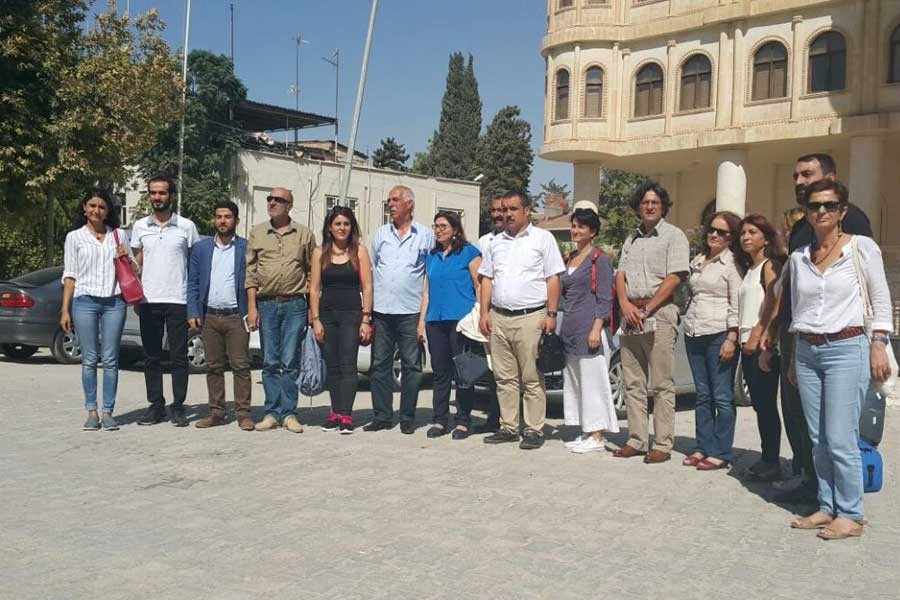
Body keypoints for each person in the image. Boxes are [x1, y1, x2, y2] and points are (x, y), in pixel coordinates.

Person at [758, 153, 873, 504]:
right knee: (802, 418)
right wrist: (772, 329)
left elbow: (867, 287)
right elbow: (791, 288)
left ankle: (846, 505)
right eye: (796, 175)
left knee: (836, 431)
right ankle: (813, 483)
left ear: (832, 181)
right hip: (800, 336)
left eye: (807, 174)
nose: (799, 181)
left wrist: (879, 342)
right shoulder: (802, 233)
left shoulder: (853, 225)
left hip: (841, 340)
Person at [787, 179, 892, 540]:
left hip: (848, 348)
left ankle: (852, 513)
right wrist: (792, 358)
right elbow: (798, 309)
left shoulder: (861, 249)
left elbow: (880, 299)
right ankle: (827, 505)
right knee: (818, 437)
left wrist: (879, 342)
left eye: (829, 205)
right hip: (807, 350)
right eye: (814, 206)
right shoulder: (799, 257)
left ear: (842, 210)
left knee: (841, 436)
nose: (821, 212)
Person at [478, 191, 565, 450]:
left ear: (527, 210)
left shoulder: (543, 239)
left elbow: (553, 278)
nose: (507, 214)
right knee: (504, 378)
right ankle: (508, 426)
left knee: (531, 377)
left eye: (513, 208)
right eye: (504, 209)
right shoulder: (495, 242)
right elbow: (487, 279)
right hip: (499, 316)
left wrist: (552, 314)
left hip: (531, 317)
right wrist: (484, 312)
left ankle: (534, 429)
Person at [612, 181, 690, 464]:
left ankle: (663, 443)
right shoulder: (631, 239)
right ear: (638, 207)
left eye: (655, 202)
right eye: (645, 202)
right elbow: (620, 274)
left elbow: (675, 277)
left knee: (660, 383)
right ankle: (636, 439)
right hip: (630, 314)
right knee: (633, 381)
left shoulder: (674, 236)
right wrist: (624, 304)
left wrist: (648, 309)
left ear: (663, 206)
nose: (649, 206)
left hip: (659, 313)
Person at [131, 176, 200, 427]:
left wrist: (194, 302)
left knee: (179, 356)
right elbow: (137, 263)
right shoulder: (140, 227)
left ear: (171, 196)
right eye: (153, 193)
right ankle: (156, 406)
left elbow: (195, 265)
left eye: (162, 193)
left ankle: (179, 406)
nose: (157, 197)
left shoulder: (186, 226)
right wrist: (134, 295)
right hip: (149, 300)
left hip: (178, 300)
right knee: (151, 356)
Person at [365, 185, 434, 434]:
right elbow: (372, 271)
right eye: (389, 200)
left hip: (410, 311)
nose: (390, 204)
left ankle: (407, 417)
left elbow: (429, 275)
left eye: (395, 200)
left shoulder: (425, 235)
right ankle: (382, 416)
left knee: (412, 367)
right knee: (379, 365)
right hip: (382, 311)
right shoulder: (381, 234)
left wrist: (423, 318)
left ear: (409, 204)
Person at [60, 189, 131, 431]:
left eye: (101, 207)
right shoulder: (74, 238)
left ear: (108, 211)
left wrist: (127, 257)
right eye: (92, 205)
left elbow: (133, 270)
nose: (96, 210)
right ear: (84, 208)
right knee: (89, 359)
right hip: (85, 302)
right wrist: (65, 310)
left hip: (114, 301)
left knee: (110, 359)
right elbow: (70, 275)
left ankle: (108, 411)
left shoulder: (119, 235)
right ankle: (92, 411)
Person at [246, 187, 315, 433]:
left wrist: (311, 308)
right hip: (266, 304)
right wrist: (252, 307)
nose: (272, 202)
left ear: (289, 205)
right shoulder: (257, 233)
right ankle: (271, 412)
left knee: (290, 361)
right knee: (270, 361)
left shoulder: (304, 234)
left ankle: (289, 413)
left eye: (279, 199)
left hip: (295, 304)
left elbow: (311, 272)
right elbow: (251, 273)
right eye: (270, 199)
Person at [681, 211, 742, 471]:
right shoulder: (699, 259)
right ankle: (703, 446)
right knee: (703, 395)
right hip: (694, 331)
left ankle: (721, 451)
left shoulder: (732, 264)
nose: (714, 235)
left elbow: (736, 303)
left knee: (721, 396)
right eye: (712, 229)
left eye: (722, 232)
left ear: (732, 238)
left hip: (719, 333)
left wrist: (732, 337)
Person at [186, 201, 253, 431]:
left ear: (236, 220)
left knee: (240, 366)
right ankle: (216, 412)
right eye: (218, 216)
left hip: (236, 316)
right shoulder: (201, 249)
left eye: (227, 217)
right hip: (209, 316)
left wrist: (252, 311)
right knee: (213, 366)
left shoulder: (246, 247)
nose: (222, 221)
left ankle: (244, 413)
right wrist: (193, 310)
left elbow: (254, 281)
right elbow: (193, 282)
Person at [560, 205, 619, 454]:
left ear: (592, 231)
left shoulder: (600, 260)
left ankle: (598, 433)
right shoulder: (569, 258)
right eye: (573, 226)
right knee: (576, 382)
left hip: (589, 327)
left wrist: (596, 328)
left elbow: (605, 298)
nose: (575, 231)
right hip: (570, 327)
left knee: (594, 381)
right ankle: (586, 428)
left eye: (581, 227)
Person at [309, 206, 373, 434]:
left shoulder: (360, 252)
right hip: (327, 315)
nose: (342, 228)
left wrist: (366, 318)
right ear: (330, 227)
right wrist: (315, 319)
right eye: (337, 224)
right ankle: (334, 413)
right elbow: (314, 288)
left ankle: (346, 415)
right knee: (332, 367)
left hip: (352, 315)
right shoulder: (319, 252)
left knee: (348, 366)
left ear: (351, 227)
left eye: (346, 224)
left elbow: (367, 286)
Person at [418, 211, 482, 440]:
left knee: (463, 372)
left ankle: (463, 421)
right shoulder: (432, 256)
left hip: (461, 321)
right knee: (440, 372)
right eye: (436, 226)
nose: (438, 230)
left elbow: (480, 286)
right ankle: (439, 419)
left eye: (443, 226)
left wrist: (482, 314)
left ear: (455, 229)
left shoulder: (470, 253)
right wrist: (421, 322)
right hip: (436, 320)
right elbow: (427, 291)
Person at [737, 214, 784, 481]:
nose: (746, 237)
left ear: (766, 238)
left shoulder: (769, 266)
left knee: (766, 405)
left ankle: (771, 461)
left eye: (752, 232)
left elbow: (773, 303)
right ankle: (767, 458)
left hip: (761, 344)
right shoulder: (750, 269)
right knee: (759, 405)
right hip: (746, 342)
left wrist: (761, 334)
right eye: (743, 232)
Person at [473, 196, 505, 433]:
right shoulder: (483, 242)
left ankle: (512, 418)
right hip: (489, 311)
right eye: (494, 211)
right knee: (494, 368)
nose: (498, 215)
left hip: (513, 310)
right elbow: (480, 279)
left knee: (511, 370)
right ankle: (495, 417)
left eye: (502, 210)